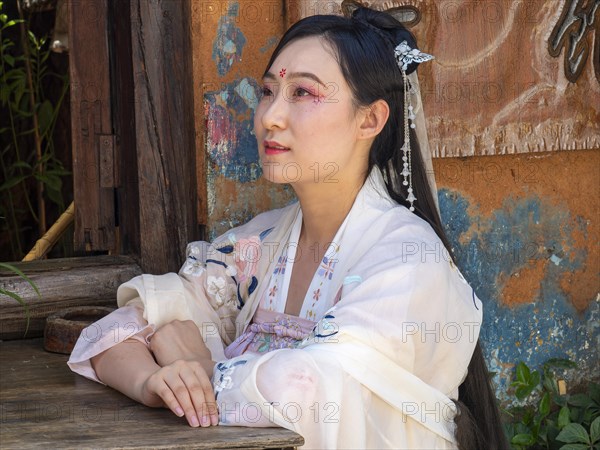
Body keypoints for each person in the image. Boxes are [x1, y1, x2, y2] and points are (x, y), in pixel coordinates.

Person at [68, 5, 508, 449]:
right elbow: (112, 333)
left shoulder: (410, 259)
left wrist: (199, 363)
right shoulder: (259, 245)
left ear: (370, 119)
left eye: (302, 93)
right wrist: (153, 381)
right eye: (267, 91)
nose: (268, 117)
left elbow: (305, 392)